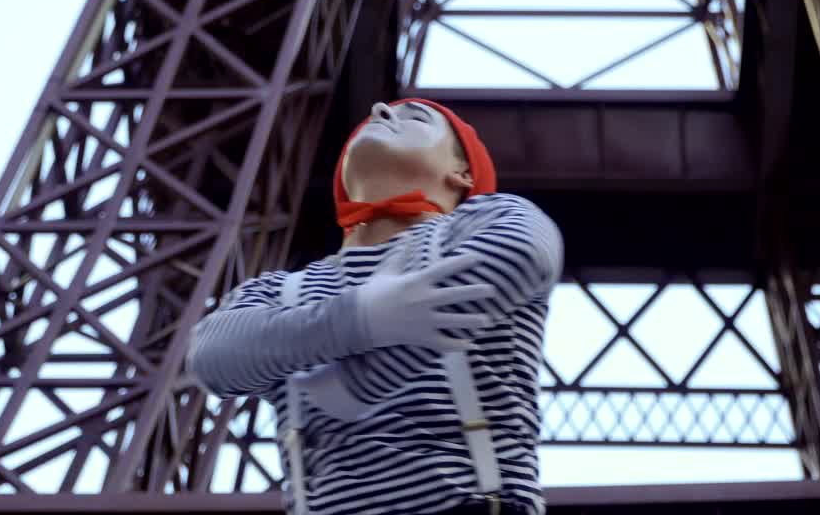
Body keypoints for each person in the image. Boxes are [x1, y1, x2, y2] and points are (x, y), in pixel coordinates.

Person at [187, 98, 563, 515]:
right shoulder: (285, 288)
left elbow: (525, 251)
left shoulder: (488, 218)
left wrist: (354, 381)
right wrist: (359, 319)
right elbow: (210, 357)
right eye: (376, 115)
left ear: (462, 174)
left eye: (414, 117)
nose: (382, 108)